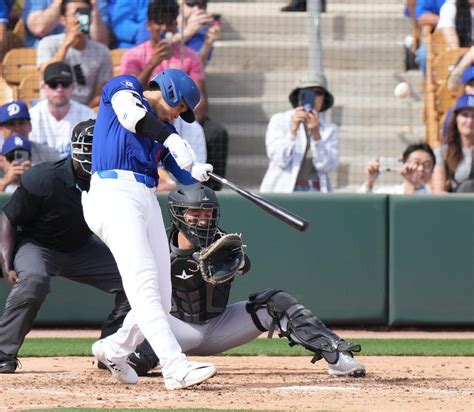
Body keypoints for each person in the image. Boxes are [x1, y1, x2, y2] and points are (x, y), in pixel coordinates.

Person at [123, 183, 366, 378]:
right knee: (135, 363)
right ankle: (121, 355)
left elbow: (243, 263)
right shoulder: (157, 246)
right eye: (195, 214)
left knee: (275, 301)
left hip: (219, 325)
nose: (203, 220)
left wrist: (229, 261)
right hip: (177, 328)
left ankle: (338, 356)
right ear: (179, 214)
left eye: (207, 214)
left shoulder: (223, 243)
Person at [81, 68, 216, 390]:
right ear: (169, 90)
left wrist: (198, 172)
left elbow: (183, 175)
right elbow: (132, 117)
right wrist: (172, 139)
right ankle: (175, 367)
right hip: (113, 193)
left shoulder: (164, 130)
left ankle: (114, 349)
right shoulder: (126, 87)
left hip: (145, 197)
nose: (180, 114)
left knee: (163, 296)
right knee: (143, 283)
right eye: (181, 105)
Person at [0, 119, 132, 374]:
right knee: (34, 281)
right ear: (76, 148)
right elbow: (8, 218)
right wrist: (6, 263)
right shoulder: (44, 178)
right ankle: (3, 351)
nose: (96, 154)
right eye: (90, 147)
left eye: (101, 147)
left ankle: (112, 350)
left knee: (135, 279)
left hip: (81, 248)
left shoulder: (115, 180)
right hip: (38, 245)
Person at [120, 0, 228, 191]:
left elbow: (200, 104)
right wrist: (153, 62)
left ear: (176, 24)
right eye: (159, 22)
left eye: (169, 22)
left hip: (179, 121)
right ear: (149, 25)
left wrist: (177, 120)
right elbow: (127, 94)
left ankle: (206, 194)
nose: (164, 28)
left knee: (216, 133)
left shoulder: (189, 55)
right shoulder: (134, 55)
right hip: (143, 120)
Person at [260, 73, 339, 193]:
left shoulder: (330, 129)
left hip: (316, 190)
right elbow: (279, 159)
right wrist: (293, 131)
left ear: (324, 98)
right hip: (281, 189)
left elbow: (327, 166)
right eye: (306, 92)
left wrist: (316, 135)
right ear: (299, 96)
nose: (314, 97)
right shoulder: (279, 120)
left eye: (318, 92)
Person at [36, 0, 113, 107]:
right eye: (75, 14)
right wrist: (66, 46)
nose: (79, 19)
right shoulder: (48, 43)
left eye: (84, 14)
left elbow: (100, 94)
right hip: (50, 108)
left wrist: (82, 113)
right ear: (63, 19)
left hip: (85, 111)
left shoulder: (102, 51)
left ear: (90, 20)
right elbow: (46, 73)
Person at [29, 62, 97, 159]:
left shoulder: (88, 116)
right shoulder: (32, 117)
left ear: (73, 87)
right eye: (53, 84)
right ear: (43, 87)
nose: (59, 89)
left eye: (65, 84)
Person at [22, 0, 109, 48]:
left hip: (86, 58)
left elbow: (100, 42)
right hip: (44, 55)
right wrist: (59, 2)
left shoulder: (98, 2)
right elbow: (39, 28)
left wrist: (92, 7)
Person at [432, 94, 474, 192]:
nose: (470, 121)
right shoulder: (443, 152)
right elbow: (438, 191)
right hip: (455, 204)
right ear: (456, 119)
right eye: (465, 115)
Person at [357, 143, 436, 194]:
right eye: (416, 163)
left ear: (432, 170)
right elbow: (357, 205)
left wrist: (410, 184)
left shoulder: (436, 197)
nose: (421, 168)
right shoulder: (390, 193)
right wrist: (369, 182)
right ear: (404, 164)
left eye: (427, 165)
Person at [0, 100, 62, 165]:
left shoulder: (48, 154)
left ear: (30, 126)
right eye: (11, 124)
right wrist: (7, 175)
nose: (17, 128)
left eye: (21, 123)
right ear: (1, 128)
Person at [177, 0, 222, 67]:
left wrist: (207, 45)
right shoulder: (163, 24)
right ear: (181, 5)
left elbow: (198, 67)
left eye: (202, 5)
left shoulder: (203, 34)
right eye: (191, 3)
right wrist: (187, 33)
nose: (196, 9)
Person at [414, 0, 446, 75]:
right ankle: (429, 84)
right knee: (423, 55)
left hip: (465, 40)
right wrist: (446, 20)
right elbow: (421, 16)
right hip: (435, 41)